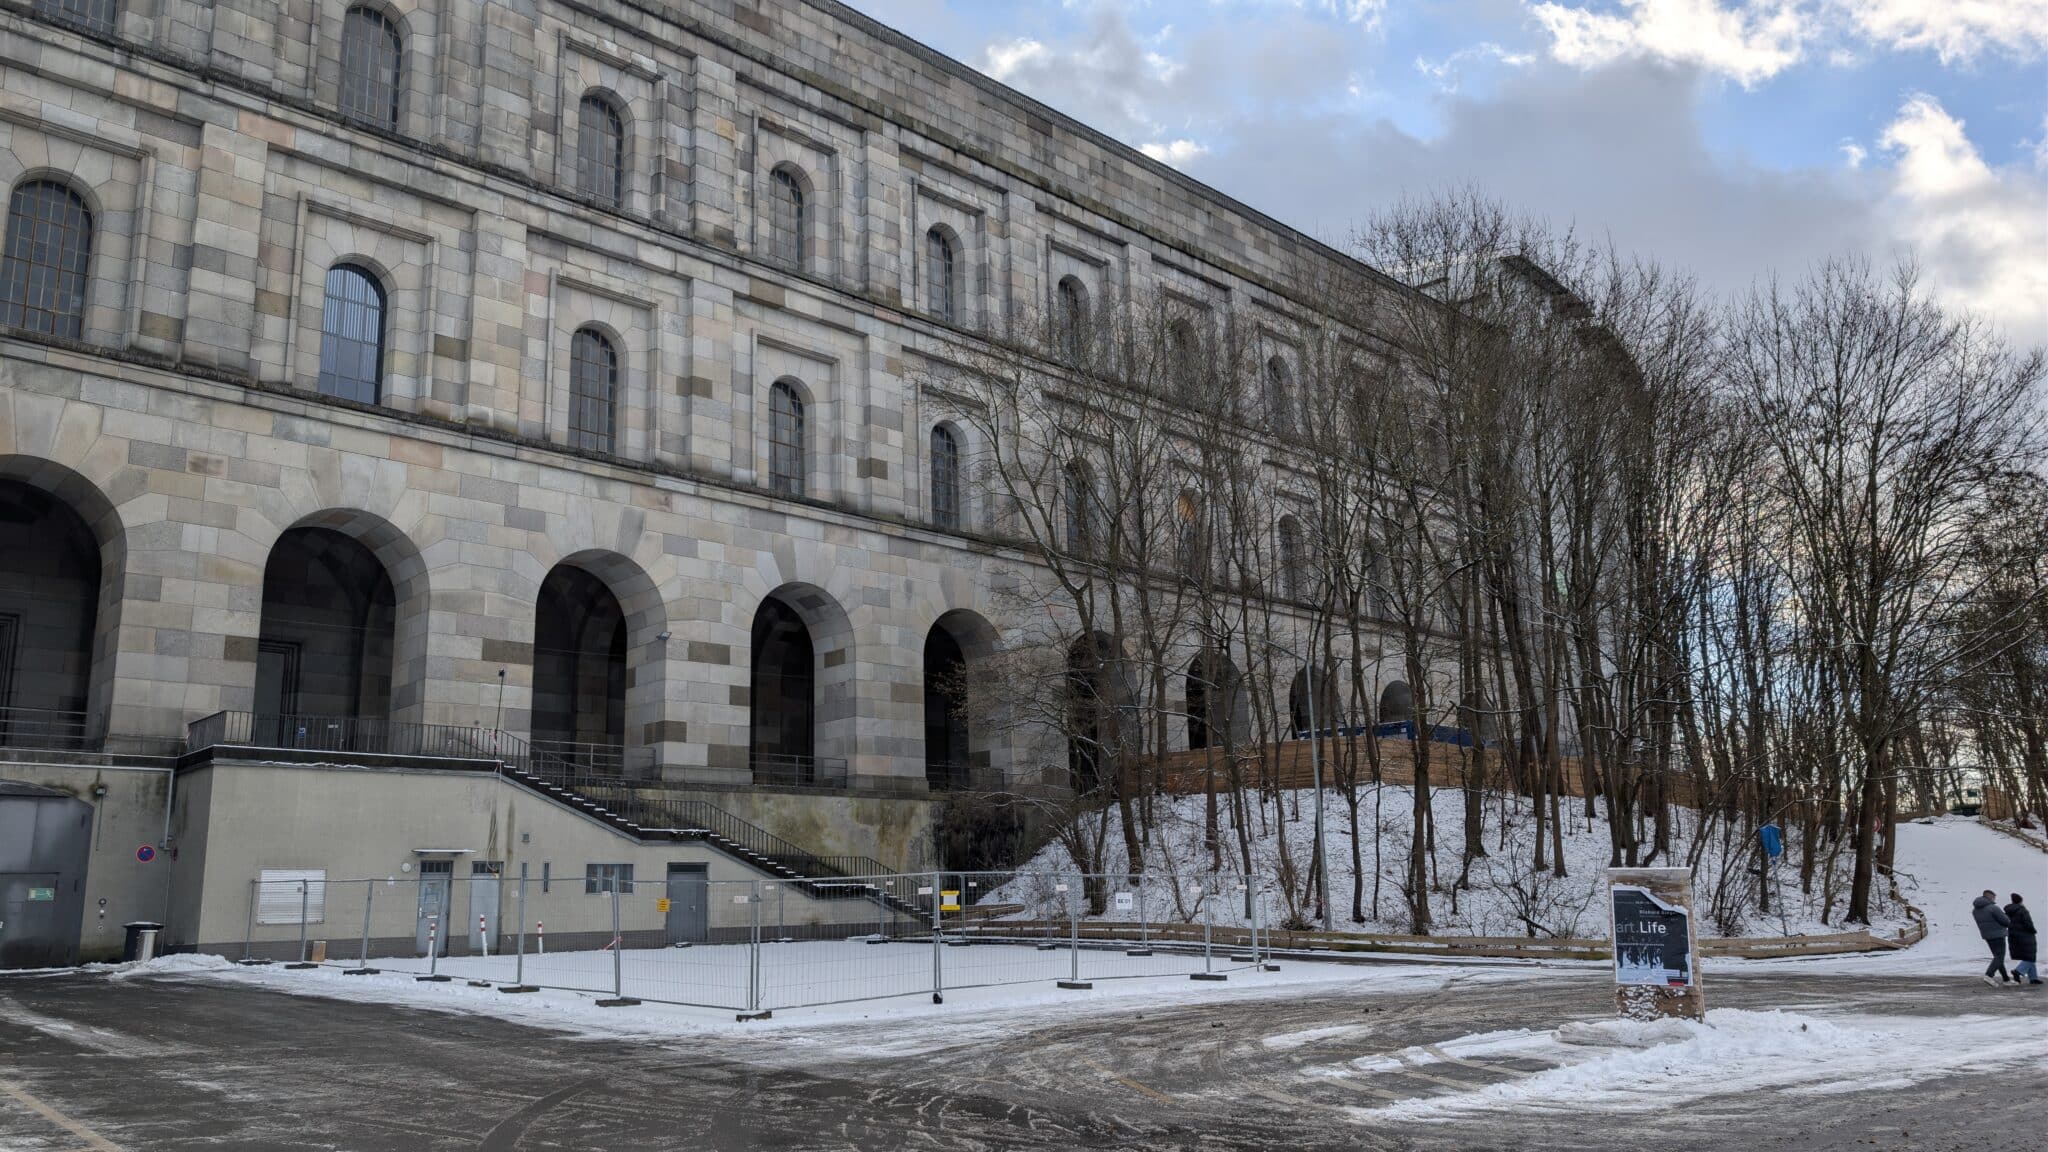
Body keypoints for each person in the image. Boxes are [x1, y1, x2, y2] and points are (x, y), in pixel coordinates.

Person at [1974, 889, 2013, 986]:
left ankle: (2006, 980)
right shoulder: (1993, 908)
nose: (1994, 899)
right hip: (1998, 935)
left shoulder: (1975, 910)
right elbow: (2006, 921)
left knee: (1997, 957)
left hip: (1987, 936)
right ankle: (1989, 975)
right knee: (1999, 957)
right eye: (1993, 897)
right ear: (1989, 896)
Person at [2007, 893, 2040, 987]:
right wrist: (2033, 931)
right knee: (2030, 956)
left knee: (2029, 956)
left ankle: (2033, 978)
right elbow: (2028, 923)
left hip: (2014, 936)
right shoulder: (2022, 910)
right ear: (2020, 901)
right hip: (2025, 936)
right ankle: (2018, 971)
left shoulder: (2009, 911)